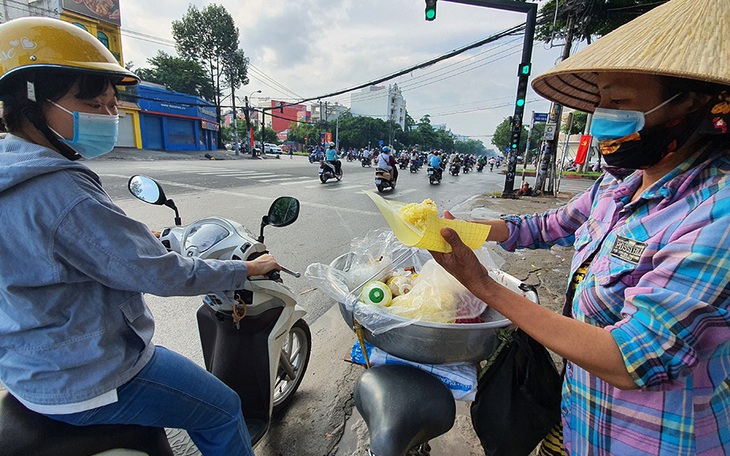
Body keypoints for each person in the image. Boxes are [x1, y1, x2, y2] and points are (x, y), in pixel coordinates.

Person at [429, 0, 730, 454]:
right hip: (582, 418)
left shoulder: (715, 213)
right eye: (601, 102)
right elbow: (545, 226)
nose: (603, 117)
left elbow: (631, 359)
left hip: (656, 439)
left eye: (621, 103)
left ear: (688, 105)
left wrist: (482, 284)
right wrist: (469, 229)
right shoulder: (619, 187)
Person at [0, 18, 280, 456]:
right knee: (225, 408)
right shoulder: (61, 189)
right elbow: (165, 275)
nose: (108, 116)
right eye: (93, 103)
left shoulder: (11, 171)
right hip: (91, 374)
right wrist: (246, 269)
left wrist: (124, 241)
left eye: (112, 104)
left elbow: (51, 249)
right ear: (33, 99)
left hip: (32, 367)